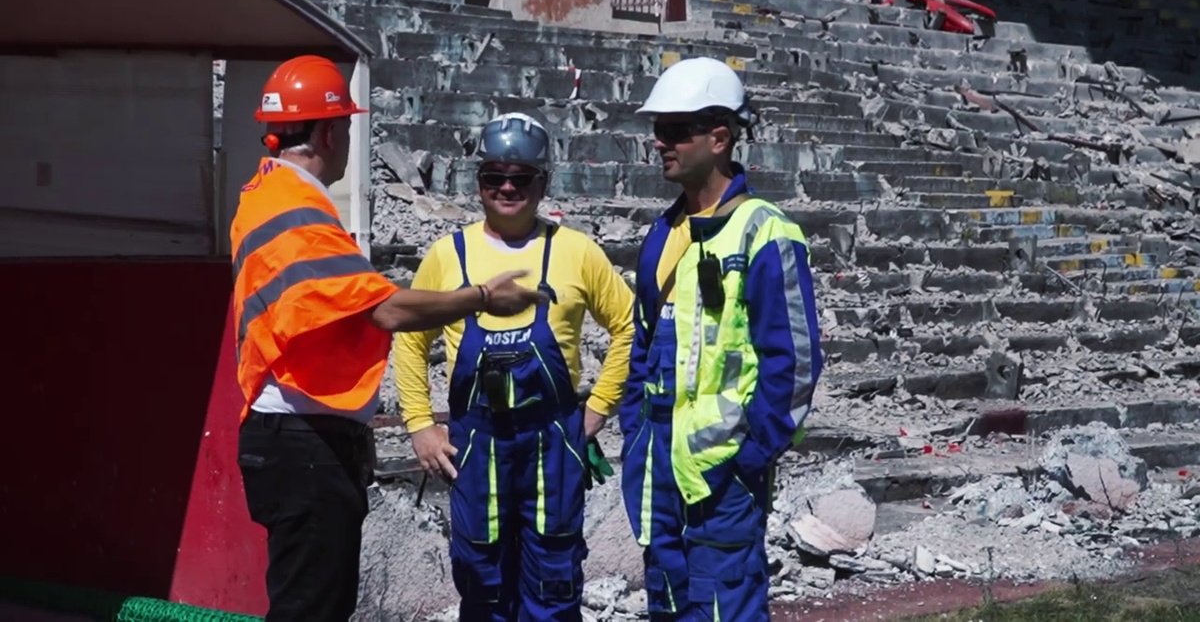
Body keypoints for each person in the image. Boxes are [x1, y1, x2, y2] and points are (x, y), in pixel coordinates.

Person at [230, 56, 546, 622]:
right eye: (347, 127)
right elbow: (386, 309)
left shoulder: (262, 194)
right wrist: (480, 297)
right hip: (304, 444)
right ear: (330, 133)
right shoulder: (297, 212)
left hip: (293, 436)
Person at [392, 112, 635, 621]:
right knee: (481, 578)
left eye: (521, 177)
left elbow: (631, 326)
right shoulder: (448, 255)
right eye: (494, 176)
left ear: (543, 182)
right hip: (476, 445)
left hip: (553, 443)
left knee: (553, 577)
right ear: (478, 181)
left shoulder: (576, 252)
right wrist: (419, 424)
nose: (507, 188)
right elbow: (411, 340)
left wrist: (598, 408)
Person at [618, 57, 823, 620]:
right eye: (658, 129)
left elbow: (795, 364)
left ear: (720, 137)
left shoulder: (765, 231)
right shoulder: (662, 232)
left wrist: (749, 457)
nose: (660, 142)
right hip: (658, 467)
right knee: (668, 605)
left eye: (675, 130)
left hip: (724, 472)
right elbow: (643, 346)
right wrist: (635, 432)